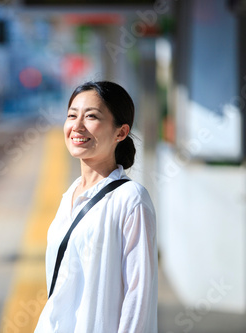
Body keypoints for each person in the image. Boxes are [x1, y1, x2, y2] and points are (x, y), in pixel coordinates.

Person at [34, 81, 158, 333]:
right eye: (71, 115)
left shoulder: (131, 199)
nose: (77, 126)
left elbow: (139, 297)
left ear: (120, 133)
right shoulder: (69, 196)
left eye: (91, 116)